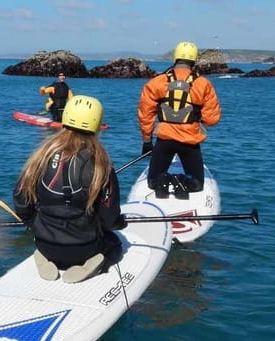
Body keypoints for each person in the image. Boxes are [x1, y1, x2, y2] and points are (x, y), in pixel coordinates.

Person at [14, 95, 126, 284]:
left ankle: (43, 257)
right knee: (115, 243)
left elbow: (20, 198)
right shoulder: (102, 166)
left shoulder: (40, 157)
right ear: (98, 124)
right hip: (85, 248)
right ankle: (94, 263)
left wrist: (34, 223)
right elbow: (109, 217)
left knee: (49, 233)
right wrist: (118, 224)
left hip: (45, 242)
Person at [137, 41, 221, 197]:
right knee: (197, 184)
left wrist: (147, 141)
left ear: (175, 59)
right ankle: (183, 181)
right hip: (190, 142)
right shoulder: (203, 84)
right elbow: (212, 119)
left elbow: (145, 113)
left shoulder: (157, 82)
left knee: (152, 182)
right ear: (194, 60)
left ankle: (161, 179)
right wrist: (198, 118)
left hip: (164, 141)